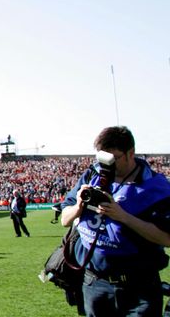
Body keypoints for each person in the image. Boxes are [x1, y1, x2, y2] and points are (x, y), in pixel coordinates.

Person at [61, 126, 170, 316]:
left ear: (130, 153)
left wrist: (123, 216)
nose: (106, 165)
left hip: (139, 287)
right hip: (95, 282)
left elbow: (167, 238)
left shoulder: (156, 187)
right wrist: (78, 206)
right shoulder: (92, 175)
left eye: (112, 159)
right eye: (101, 158)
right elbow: (64, 219)